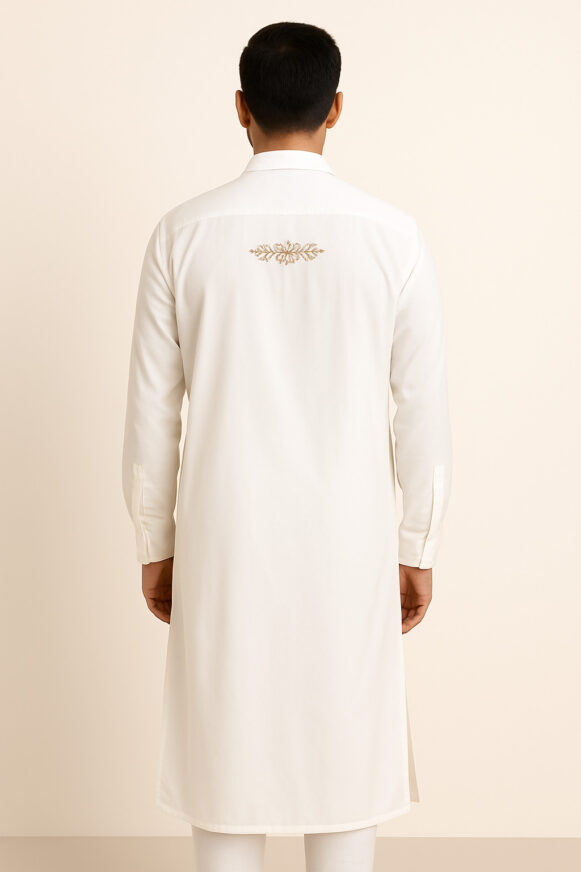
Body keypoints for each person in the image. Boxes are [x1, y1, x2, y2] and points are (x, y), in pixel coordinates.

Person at [121, 20, 452, 872]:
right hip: (350, 537)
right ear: (335, 107)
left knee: (225, 752)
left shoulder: (182, 233)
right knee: (343, 751)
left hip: (223, 536)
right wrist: (416, 545)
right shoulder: (392, 235)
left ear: (240, 108)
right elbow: (420, 408)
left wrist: (156, 542)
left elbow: (153, 410)